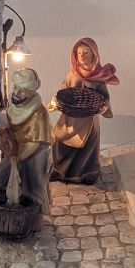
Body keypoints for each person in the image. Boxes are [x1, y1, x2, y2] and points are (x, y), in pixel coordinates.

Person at [49, 38, 119, 185]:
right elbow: (62, 90)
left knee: (88, 146)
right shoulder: (72, 74)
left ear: (94, 54)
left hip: (89, 118)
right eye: (79, 52)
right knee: (61, 140)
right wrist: (55, 102)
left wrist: (104, 107)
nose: (82, 56)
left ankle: (87, 172)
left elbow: (104, 97)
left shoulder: (98, 78)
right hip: (70, 116)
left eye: (86, 52)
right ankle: (59, 170)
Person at [0, 68, 54, 229]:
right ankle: (2, 208)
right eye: (16, 88)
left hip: (36, 149)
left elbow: (35, 142)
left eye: (22, 90)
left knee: (35, 180)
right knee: (1, 174)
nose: (17, 93)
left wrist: (18, 158)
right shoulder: (13, 104)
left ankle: (37, 215)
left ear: (31, 92)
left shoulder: (38, 112)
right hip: (18, 148)